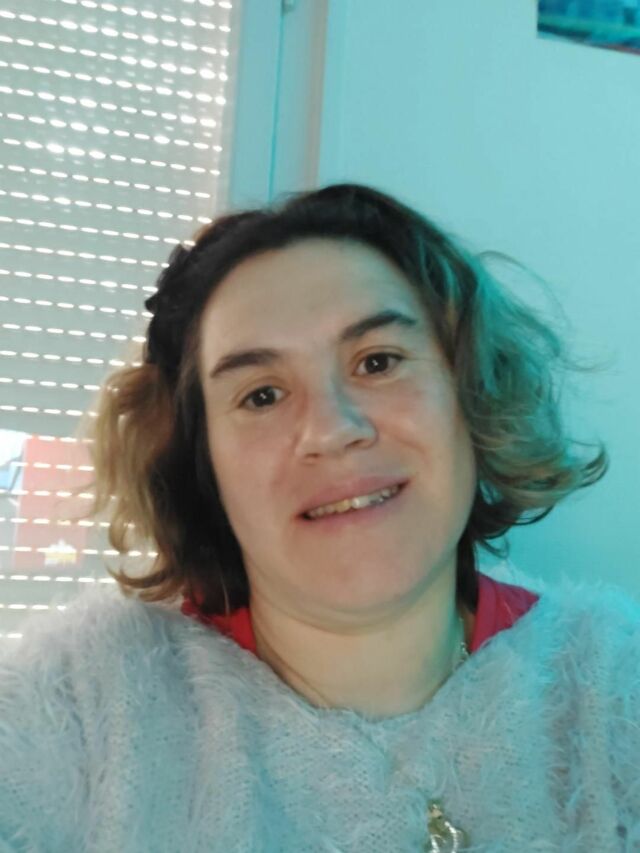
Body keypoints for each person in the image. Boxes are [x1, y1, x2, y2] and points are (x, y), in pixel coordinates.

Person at [0, 183, 638, 851]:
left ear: (470, 391)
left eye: (378, 362)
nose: (331, 429)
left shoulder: (617, 689)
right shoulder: (77, 710)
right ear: (199, 463)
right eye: (262, 395)